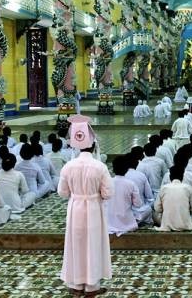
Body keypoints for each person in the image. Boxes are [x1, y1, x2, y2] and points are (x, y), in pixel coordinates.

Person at [58, 114, 113, 297]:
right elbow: (108, 193)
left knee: (76, 244)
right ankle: (92, 287)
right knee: (93, 244)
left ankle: (76, 285)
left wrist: (76, 193)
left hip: (75, 208)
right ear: (93, 145)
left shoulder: (68, 167)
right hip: (93, 208)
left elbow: (62, 193)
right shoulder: (100, 167)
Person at [106, 155, 151, 236]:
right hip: (126, 223)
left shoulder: (108, 183)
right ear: (126, 169)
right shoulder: (131, 184)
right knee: (148, 209)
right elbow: (138, 204)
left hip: (109, 222)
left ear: (113, 169)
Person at [153, 165, 192, 231]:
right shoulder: (188, 188)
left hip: (166, 223)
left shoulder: (163, 188)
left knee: (153, 213)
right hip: (185, 223)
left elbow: (157, 209)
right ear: (182, 177)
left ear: (170, 177)